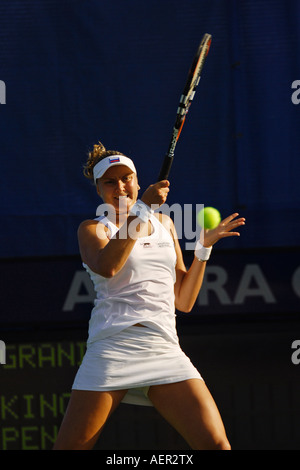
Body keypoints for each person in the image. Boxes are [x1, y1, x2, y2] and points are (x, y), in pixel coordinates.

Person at [53, 141, 245, 450]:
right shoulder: (92, 229)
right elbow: (108, 266)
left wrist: (203, 249)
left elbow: (183, 300)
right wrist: (141, 209)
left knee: (217, 446)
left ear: (138, 181)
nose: (120, 186)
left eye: (126, 178)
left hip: (163, 348)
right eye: (110, 182)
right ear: (100, 191)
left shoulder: (166, 224)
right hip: (112, 349)